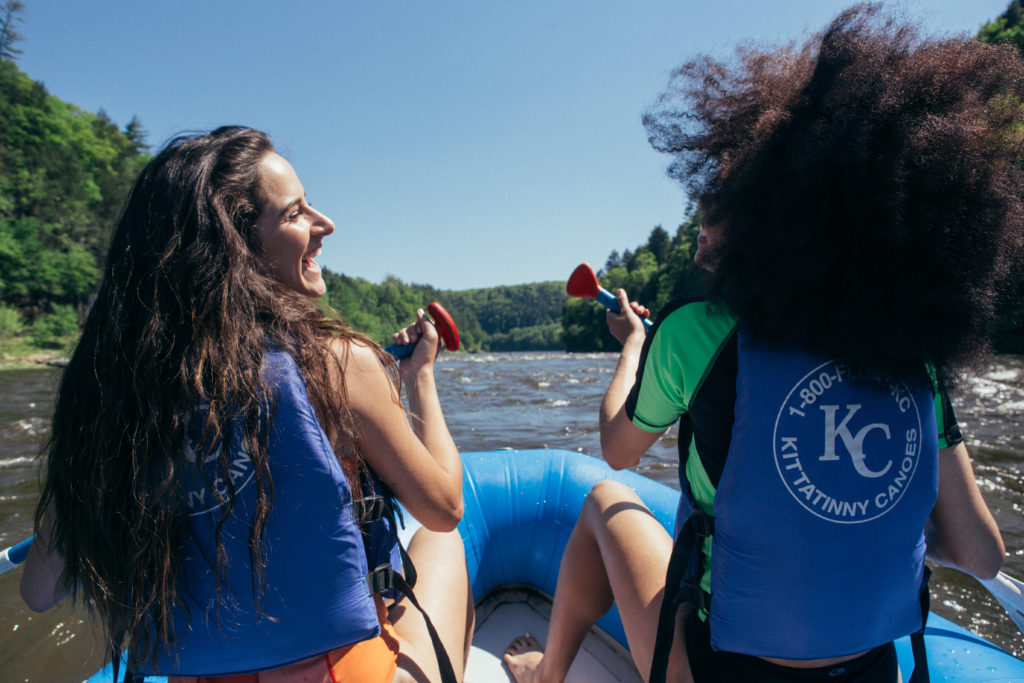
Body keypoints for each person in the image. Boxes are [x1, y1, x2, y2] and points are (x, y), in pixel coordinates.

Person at [505, 5, 1021, 682]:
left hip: (724, 671)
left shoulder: (694, 332)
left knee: (604, 501)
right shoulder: (911, 351)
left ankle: (547, 674)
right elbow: (981, 554)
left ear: (763, 217)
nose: (702, 220)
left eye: (718, 199)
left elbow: (617, 449)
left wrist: (634, 345)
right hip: (871, 672)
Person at [19, 126, 474, 682]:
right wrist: (420, 378)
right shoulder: (337, 364)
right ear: (234, 247)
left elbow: (39, 591)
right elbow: (444, 509)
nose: (324, 224)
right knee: (442, 551)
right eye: (295, 213)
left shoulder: (118, 403)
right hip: (336, 673)